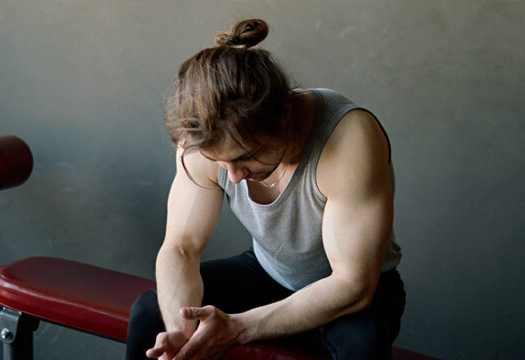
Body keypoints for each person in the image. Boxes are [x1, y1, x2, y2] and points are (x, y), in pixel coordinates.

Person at [126, 19, 405, 360]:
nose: (234, 177)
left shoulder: (348, 139)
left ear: (285, 115)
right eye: (221, 162)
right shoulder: (201, 139)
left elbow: (353, 284)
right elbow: (181, 249)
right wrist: (181, 333)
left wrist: (238, 327)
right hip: (269, 272)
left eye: (247, 157)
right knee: (149, 313)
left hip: (357, 291)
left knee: (361, 344)